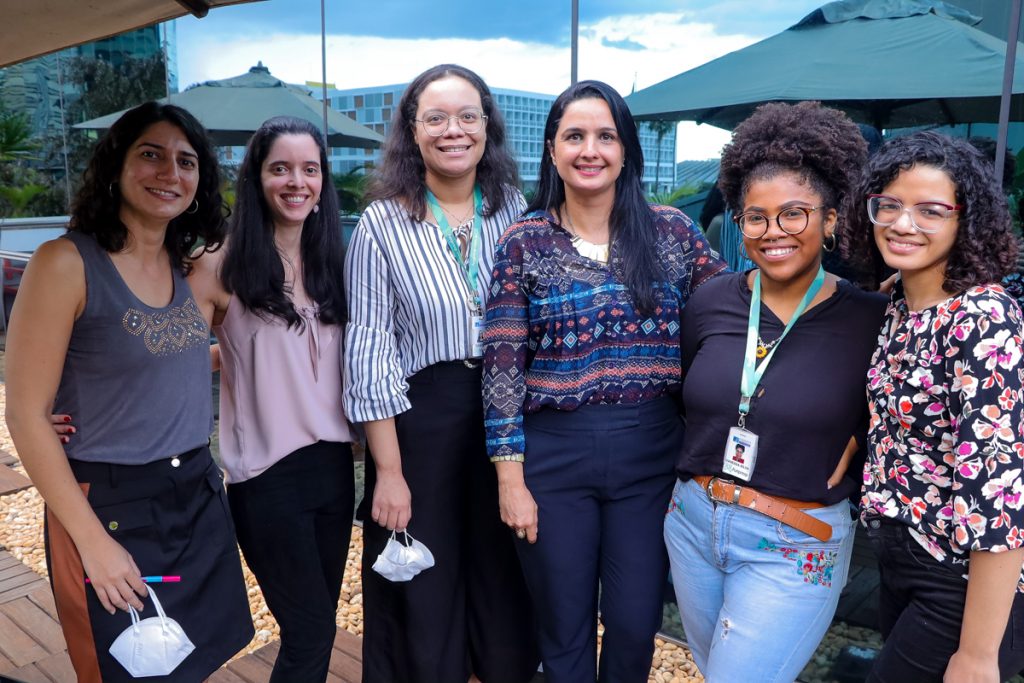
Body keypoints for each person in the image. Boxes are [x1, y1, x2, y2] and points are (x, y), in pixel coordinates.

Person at [482, 79, 725, 683]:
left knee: (636, 621)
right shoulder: (524, 242)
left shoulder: (672, 233)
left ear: (625, 150)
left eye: (605, 136)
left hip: (651, 453)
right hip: (554, 456)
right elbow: (502, 363)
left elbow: (731, 312)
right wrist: (510, 479)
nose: (589, 150)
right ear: (552, 149)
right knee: (562, 625)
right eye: (574, 136)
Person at [4, 102, 252, 682]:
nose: (170, 172)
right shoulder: (65, 263)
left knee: (194, 661)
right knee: (129, 670)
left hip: (194, 491)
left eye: (186, 161)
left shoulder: (185, 265)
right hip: (111, 508)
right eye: (151, 154)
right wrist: (92, 543)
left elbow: (165, 361)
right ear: (116, 165)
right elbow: (25, 414)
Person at [664, 101, 885, 682]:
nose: (773, 232)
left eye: (794, 213)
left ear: (831, 219)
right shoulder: (710, 302)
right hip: (693, 524)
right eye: (755, 217)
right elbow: (687, 398)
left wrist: (862, 438)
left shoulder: (872, 319)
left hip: (795, 541)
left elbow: (907, 413)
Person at [343, 64, 539, 683]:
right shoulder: (381, 224)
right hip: (423, 422)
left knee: (503, 568)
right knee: (425, 576)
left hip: (509, 417)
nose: (453, 130)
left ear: (487, 126)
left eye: (467, 116)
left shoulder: (515, 210)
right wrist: (389, 474)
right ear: (412, 130)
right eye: (436, 118)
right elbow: (370, 350)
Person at [843, 131, 1024, 682]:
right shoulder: (902, 302)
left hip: (960, 581)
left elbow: (999, 494)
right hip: (901, 557)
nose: (903, 223)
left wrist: (978, 654)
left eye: (930, 210)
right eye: (889, 205)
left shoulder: (982, 318)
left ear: (965, 220)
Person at [187, 116, 355, 682]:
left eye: (310, 169)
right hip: (266, 476)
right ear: (256, 178)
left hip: (336, 469)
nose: (296, 182)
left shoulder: (336, 262)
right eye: (280, 168)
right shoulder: (218, 263)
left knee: (318, 627)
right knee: (310, 633)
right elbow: (168, 358)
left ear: (323, 180)